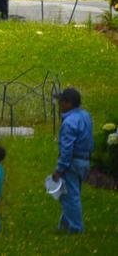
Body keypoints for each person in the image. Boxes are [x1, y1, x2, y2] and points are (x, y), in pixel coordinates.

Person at [52, 87, 93, 233]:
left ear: (68, 103)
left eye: (61, 102)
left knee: (70, 197)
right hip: (84, 160)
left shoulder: (69, 122)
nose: (59, 105)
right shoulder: (85, 116)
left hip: (72, 163)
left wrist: (59, 169)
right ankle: (64, 225)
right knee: (70, 194)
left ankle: (76, 228)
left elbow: (67, 149)